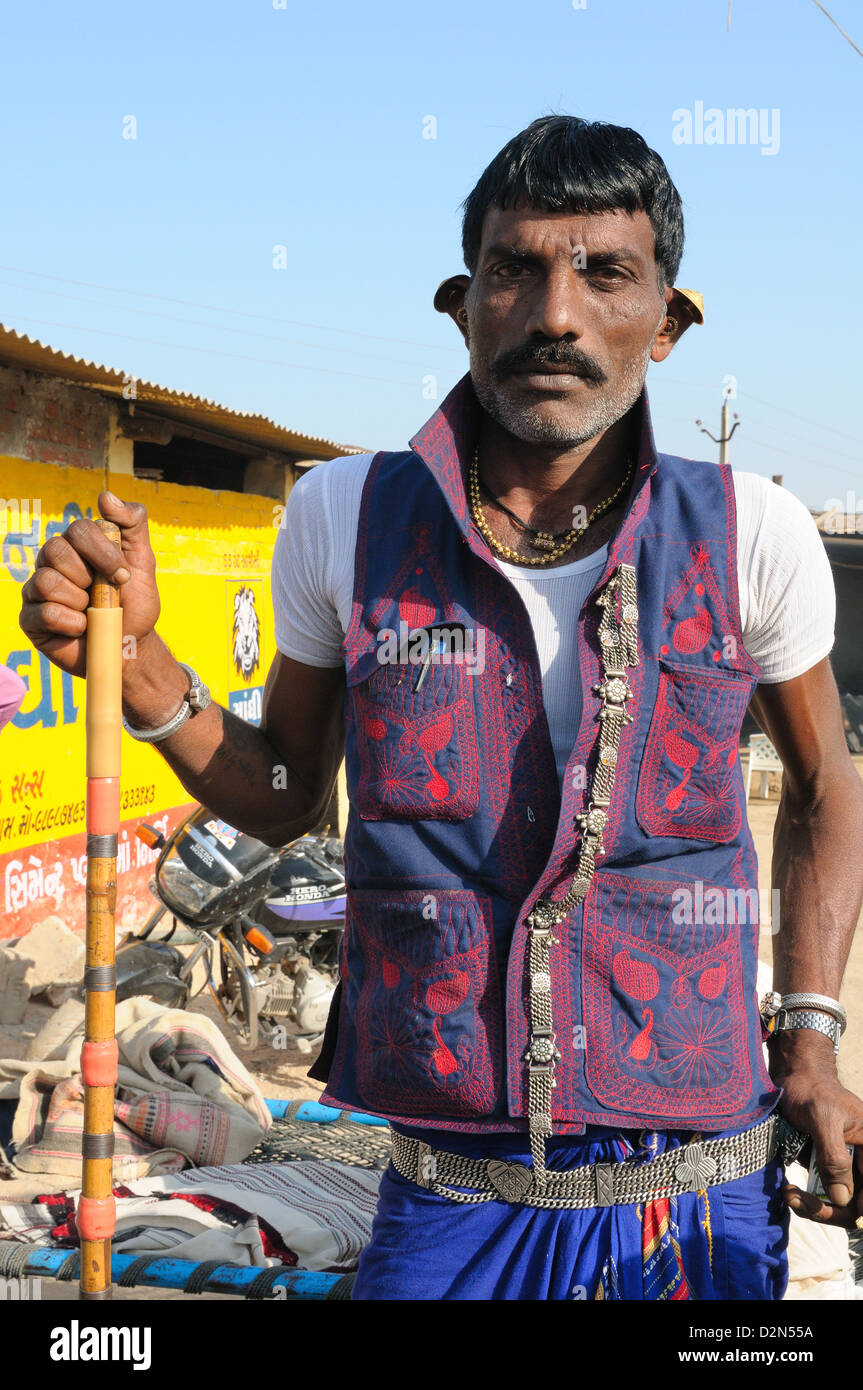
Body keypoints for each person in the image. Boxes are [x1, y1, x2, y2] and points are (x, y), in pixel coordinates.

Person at [19, 115, 863, 1301]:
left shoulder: (749, 533)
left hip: (694, 1176)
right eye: (516, 270)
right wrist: (147, 667)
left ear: (666, 324)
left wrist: (813, 1039)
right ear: (461, 305)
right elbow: (283, 794)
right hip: (447, 1187)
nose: (554, 313)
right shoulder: (343, 517)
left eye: (604, 273)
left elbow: (827, 787)